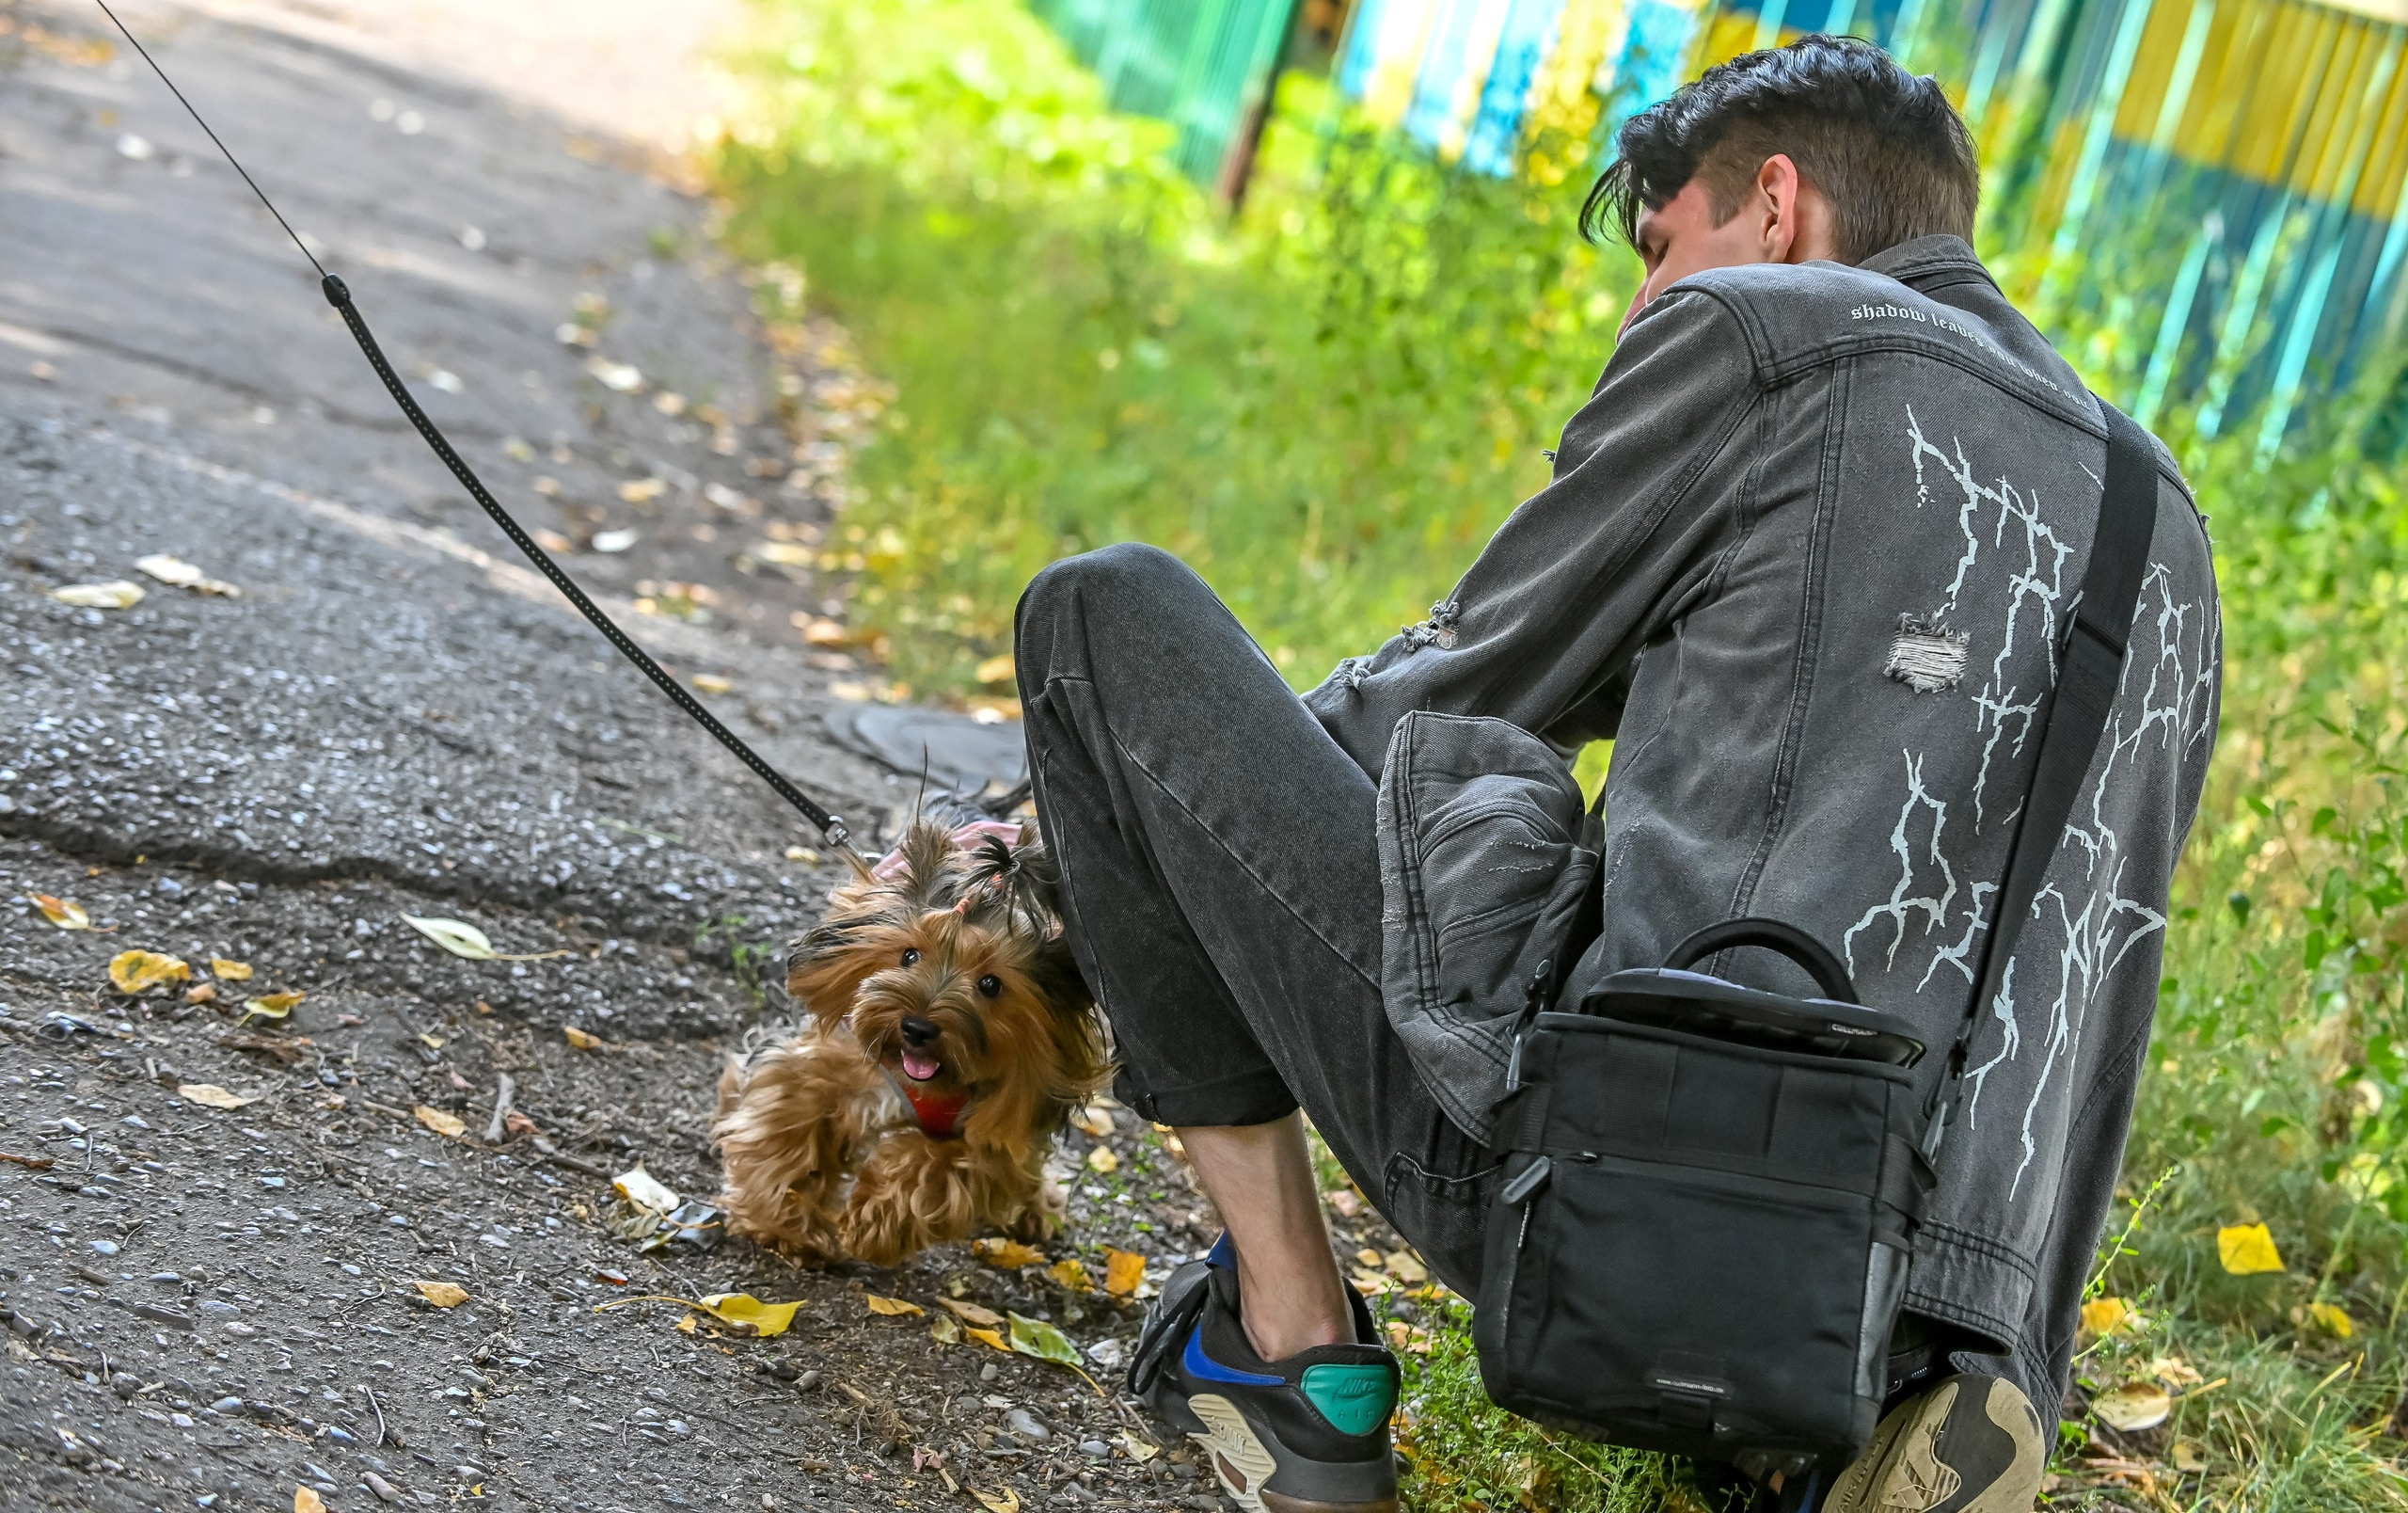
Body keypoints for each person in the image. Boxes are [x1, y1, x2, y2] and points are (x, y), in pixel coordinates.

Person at [1013, 35, 2219, 1513]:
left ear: (1775, 208)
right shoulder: (2165, 522)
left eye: (1659, 248)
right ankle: (1895, 1409)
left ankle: (1289, 1354)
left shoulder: (1769, 334)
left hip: (1634, 1210)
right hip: (1966, 1284)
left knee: (1103, 619)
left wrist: (1052, 849)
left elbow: (1446, 693)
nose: (1646, 301)